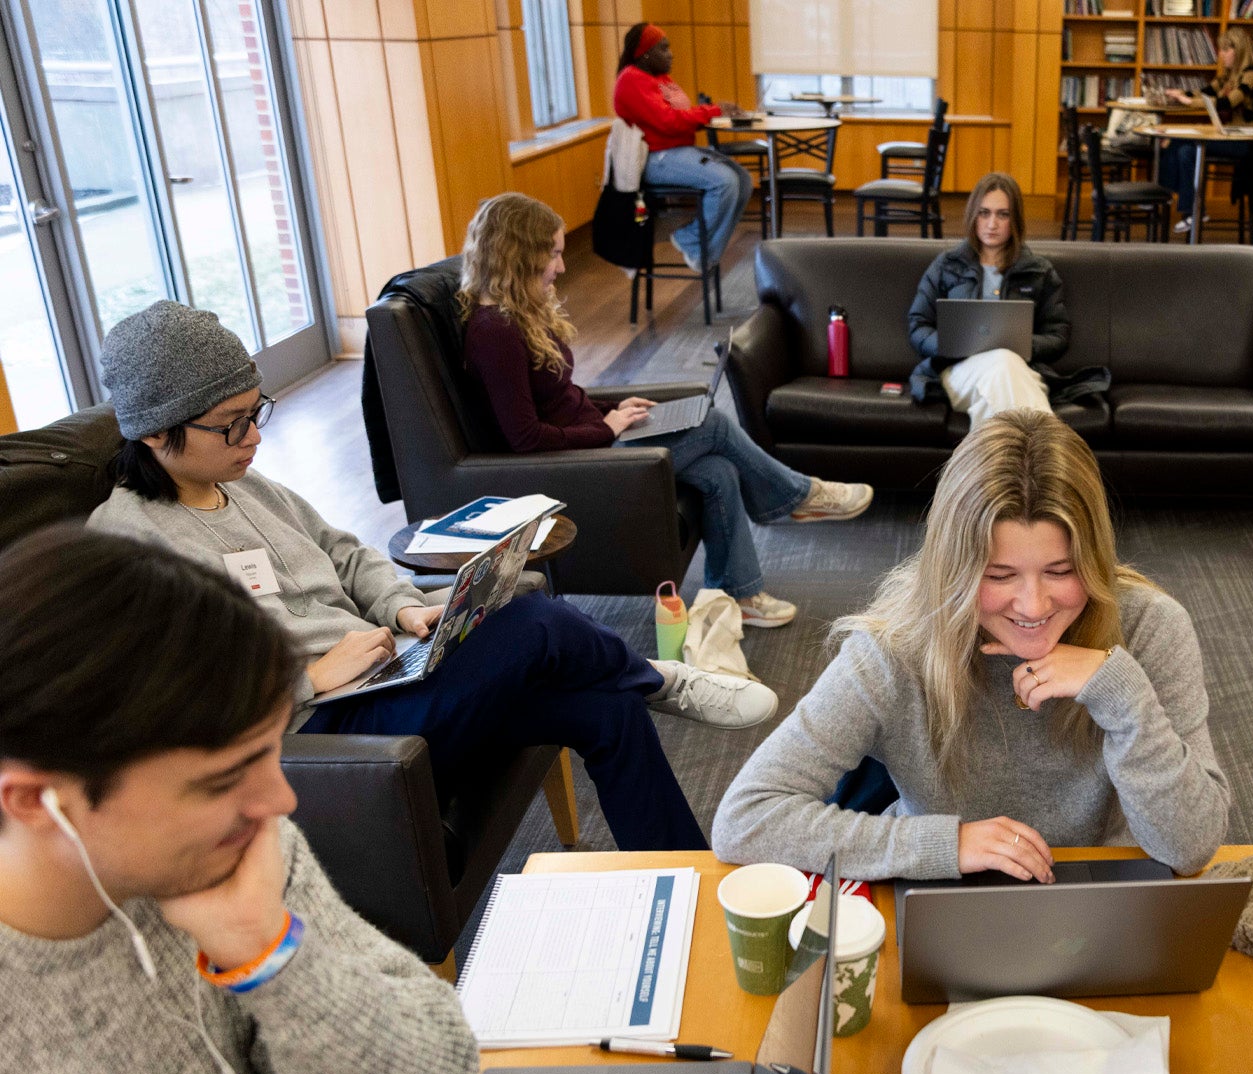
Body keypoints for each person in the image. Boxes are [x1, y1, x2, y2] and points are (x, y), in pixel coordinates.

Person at [86, 300, 773, 853]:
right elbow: (166, 703)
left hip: (384, 674)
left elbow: (344, 552)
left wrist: (400, 606)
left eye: (256, 413)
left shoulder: (245, 484)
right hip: (322, 729)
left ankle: (683, 879)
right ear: (154, 431)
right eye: (231, 425)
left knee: (605, 711)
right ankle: (659, 678)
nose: (254, 438)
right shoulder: (126, 544)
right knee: (531, 621)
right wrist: (310, 678)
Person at [0, 523, 502, 1074]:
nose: (281, 800)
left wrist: (267, 951)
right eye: (218, 781)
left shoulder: (229, 851)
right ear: (36, 801)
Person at [711, 409, 1230, 882]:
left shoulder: (1151, 628)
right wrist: (943, 843)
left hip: (1105, 892)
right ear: (954, 569)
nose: (1032, 606)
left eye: (1061, 570)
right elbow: (746, 817)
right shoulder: (895, 649)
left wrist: (1124, 700)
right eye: (999, 574)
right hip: (945, 889)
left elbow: (1191, 847)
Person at [457, 192, 873, 629]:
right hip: (575, 464)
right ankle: (798, 495)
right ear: (519, 254)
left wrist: (613, 408)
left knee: (716, 470)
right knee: (711, 424)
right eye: (554, 254)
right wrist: (605, 428)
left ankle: (742, 591)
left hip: (593, 438)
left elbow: (559, 397)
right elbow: (526, 439)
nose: (561, 267)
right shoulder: (494, 332)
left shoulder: (515, 315)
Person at [906, 173, 1108, 425]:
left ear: (1015, 220)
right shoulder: (947, 265)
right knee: (1003, 365)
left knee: (1002, 371)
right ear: (973, 216)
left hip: (1021, 372)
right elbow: (918, 324)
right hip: (958, 372)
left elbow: (1058, 335)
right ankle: (1046, 453)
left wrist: (1021, 345)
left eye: (1003, 214)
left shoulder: (1038, 271)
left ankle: (999, 464)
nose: (992, 223)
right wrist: (948, 344)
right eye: (984, 213)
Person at [612, 23, 749, 275]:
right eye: (663, 49)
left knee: (744, 179)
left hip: (676, 152)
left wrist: (710, 111)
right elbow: (669, 120)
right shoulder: (631, 79)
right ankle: (689, 238)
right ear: (645, 54)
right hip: (655, 159)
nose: (670, 54)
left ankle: (705, 253)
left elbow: (683, 112)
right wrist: (714, 110)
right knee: (726, 183)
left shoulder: (661, 79)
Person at [1157, 27, 1253, 233]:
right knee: (1179, 146)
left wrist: (1190, 102)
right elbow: (1204, 92)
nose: (1221, 54)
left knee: (1184, 146)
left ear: (1239, 51)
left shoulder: (1251, 74)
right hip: (1227, 135)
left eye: (1226, 50)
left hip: (1244, 141)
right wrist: (1181, 93)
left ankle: (1177, 204)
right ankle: (1185, 208)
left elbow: (1228, 102)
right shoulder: (1226, 76)